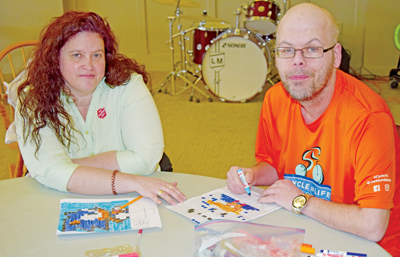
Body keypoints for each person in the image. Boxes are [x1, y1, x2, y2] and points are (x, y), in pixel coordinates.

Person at [226, 3, 399, 256]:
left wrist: (300, 201)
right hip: (306, 227)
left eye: (312, 49)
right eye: (286, 50)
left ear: (336, 55)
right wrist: (251, 175)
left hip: (368, 246)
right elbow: (276, 167)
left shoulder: (369, 118)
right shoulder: (276, 98)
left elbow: (372, 226)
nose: (297, 61)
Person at [15, 11, 186, 206]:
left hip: (134, 197)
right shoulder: (32, 99)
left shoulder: (128, 85)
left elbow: (145, 159)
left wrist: (65, 168)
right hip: (68, 198)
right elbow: (49, 171)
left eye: (97, 55)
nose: (88, 65)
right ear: (55, 59)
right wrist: (130, 179)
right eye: (77, 55)